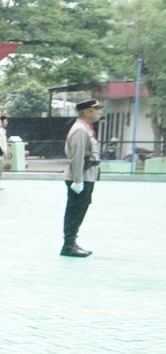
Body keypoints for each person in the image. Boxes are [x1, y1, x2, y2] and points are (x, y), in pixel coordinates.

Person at [61, 98, 102, 256]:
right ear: (87, 112)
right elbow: (77, 157)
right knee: (75, 211)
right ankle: (69, 244)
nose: (99, 112)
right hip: (81, 177)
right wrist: (77, 180)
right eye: (96, 109)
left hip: (86, 176)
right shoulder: (80, 129)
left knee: (79, 210)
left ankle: (71, 243)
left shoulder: (85, 128)